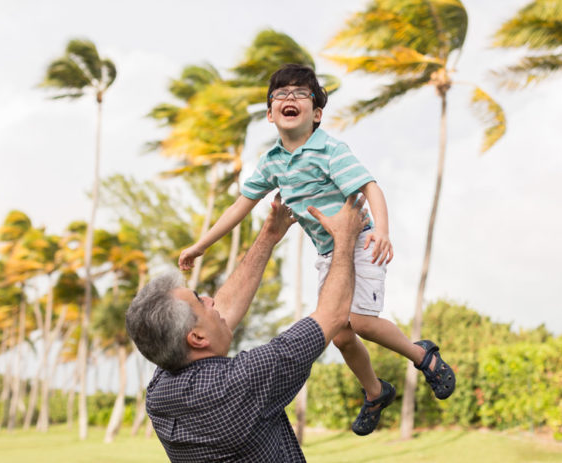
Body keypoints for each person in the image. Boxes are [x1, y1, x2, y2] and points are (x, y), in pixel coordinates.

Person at [178, 63, 455, 436]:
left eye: (300, 94)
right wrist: (199, 246)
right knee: (338, 334)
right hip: (329, 256)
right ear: (270, 113)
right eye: (281, 94)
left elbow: (371, 187)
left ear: (317, 113)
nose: (289, 98)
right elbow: (238, 208)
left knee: (358, 321)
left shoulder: (329, 150)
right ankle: (375, 392)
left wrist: (383, 232)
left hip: (358, 243)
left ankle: (424, 356)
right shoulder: (272, 162)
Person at [127, 194, 368, 462]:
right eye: (199, 300)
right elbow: (332, 315)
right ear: (195, 337)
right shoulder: (243, 383)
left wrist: (270, 234)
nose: (210, 299)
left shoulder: (160, 393)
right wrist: (345, 238)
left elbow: (223, 311)